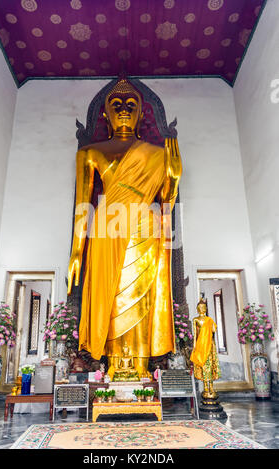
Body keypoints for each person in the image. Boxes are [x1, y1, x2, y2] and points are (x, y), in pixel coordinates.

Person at [68, 77, 182, 379]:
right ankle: (111, 364)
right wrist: (77, 252)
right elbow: (83, 205)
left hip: (147, 228)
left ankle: (142, 365)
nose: (122, 110)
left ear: (140, 114)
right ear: (105, 113)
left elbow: (166, 199)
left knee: (143, 293)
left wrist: (174, 173)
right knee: (112, 294)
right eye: (116, 105)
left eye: (130, 106)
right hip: (107, 229)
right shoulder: (90, 152)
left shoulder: (157, 155)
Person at [190, 298, 221, 398]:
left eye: (203, 307)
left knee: (210, 365)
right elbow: (195, 335)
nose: (201, 308)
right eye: (200, 307)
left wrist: (211, 325)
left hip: (209, 345)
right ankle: (206, 388)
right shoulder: (195, 320)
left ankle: (211, 387)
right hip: (200, 345)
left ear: (206, 308)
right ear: (197, 308)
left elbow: (213, 331)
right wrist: (194, 347)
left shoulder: (209, 320)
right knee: (203, 365)